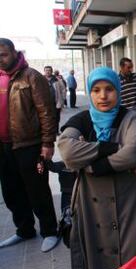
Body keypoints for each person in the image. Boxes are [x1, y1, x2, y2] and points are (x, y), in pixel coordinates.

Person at [58, 66, 136, 269]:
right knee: (92, 268)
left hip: (132, 205)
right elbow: (68, 152)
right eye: (96, 90)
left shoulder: (132, 117)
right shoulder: (81, 119)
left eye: (109, 89)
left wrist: (94, 166)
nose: (103, 96)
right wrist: (110, 148)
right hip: (90, 207)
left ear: (118, 91)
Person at [0, 38, 59, 252]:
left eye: (4, 54)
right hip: (4, 148)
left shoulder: (31, 76)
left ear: (15, 52)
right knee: (11, 191)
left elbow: (46, 111)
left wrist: (47, 142)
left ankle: (50, 231)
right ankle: (24, 230)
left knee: (37, 190)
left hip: (30, 146)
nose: (0, 59)